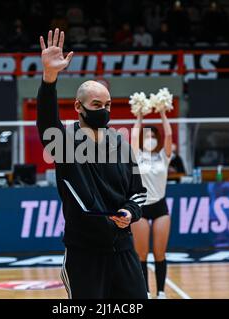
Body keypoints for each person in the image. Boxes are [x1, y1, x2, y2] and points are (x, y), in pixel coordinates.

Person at [37, 28, 148, 299]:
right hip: (84, 254)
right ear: (78, 106)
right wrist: (49, 78)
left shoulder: (121, 143)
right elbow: (46, 122)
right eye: (97, 104)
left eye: (108, 105)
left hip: (123, 251)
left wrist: (130, 213)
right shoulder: (63, 142)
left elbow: (138, 192)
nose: (104, 110)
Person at [130, 111, 173, 299]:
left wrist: (162, 112)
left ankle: (161, 291)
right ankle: (145, 291)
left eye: (153, 136)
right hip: (140, 207)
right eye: (147, 136)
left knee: (160, 253)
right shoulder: (136, 155)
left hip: (160, 207)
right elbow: (133, 134)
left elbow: (169, 134)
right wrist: (139, 115)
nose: (150, 139)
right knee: (141, 255)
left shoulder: (164, 156)